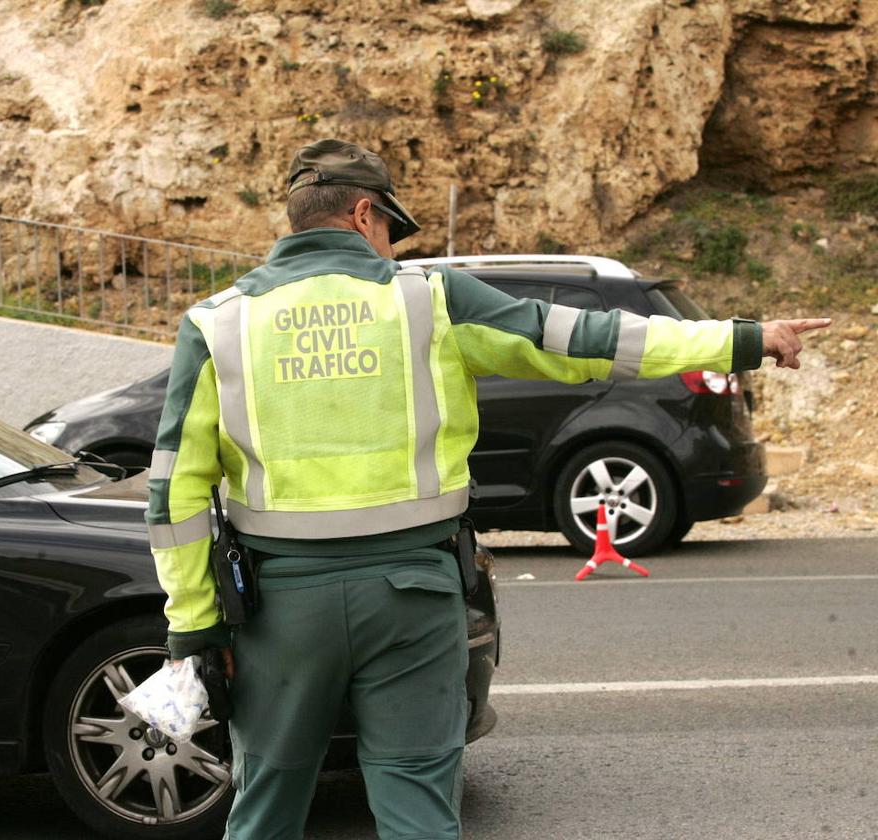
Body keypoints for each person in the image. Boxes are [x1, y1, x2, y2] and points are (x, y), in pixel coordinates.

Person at [145, 138, 830, 839]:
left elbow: (174, 498)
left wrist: (193, 629)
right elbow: (582, 337)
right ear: (361, 213)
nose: (393, 248)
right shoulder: (431, 301)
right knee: (417, 811)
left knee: (264, 812)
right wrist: (742, 340)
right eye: (390, 228)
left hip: (280, 612)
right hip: (411, 599)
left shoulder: (217, 324)